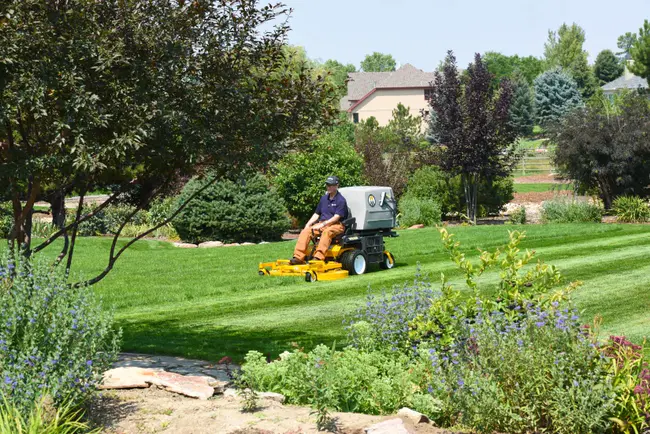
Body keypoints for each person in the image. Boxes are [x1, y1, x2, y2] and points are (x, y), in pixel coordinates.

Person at [290, 176, 348, 264]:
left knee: (326, 232)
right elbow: (316, 214)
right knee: (306, 231)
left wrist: (323, 224)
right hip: (323, 224)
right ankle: (298, 257)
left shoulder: (341, 200)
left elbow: (336, 217)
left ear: (337, 186)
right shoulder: (323, 199)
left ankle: (318, 258)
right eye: (327, 185)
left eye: (331, 185)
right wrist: (308, 224)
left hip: (337, 225)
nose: (328, 187)